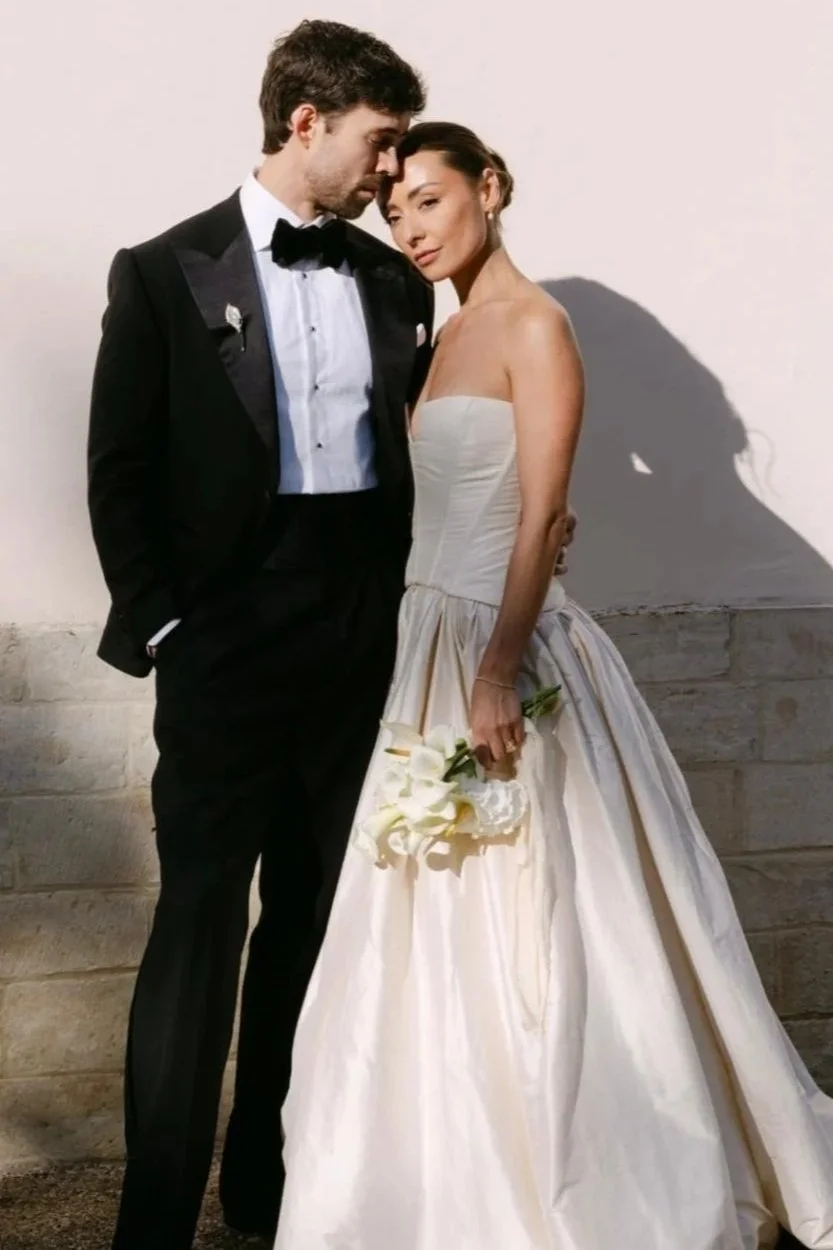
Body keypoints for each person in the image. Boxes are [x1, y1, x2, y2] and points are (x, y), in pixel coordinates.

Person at [273, 122, 833, 1250]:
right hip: (424, 641)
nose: (410, 228)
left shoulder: (536, 324)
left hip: (499, 649)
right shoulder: (443, 330)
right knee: (433, 909)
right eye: (395, 210)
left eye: (429, 200)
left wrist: (495, 671)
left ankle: (586, 1170)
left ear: (489, 187)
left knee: (549, 914)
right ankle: (445, 1166)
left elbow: (539, 512)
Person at [86, 21, 432, 1250]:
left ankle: (267, 1187)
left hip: (358, 638)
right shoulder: (163, 270)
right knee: (197, 920)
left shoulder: (394, 281)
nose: (391, 171)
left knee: (315, 923)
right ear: (306, 121)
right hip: (225, 641)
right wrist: (170, 623)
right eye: (379, 142)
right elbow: (120, 469)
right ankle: (154, 1217)